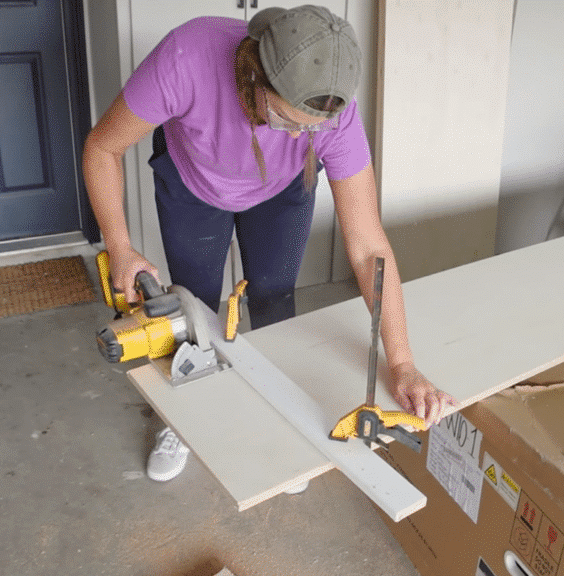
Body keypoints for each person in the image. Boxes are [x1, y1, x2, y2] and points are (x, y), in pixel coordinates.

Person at [83, 5, 456, 483]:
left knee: (274, 295)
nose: (300, 134)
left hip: (282, 187)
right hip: (193, 181)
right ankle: (186, 419)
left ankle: (283, 423)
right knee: (193, 307)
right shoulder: (186, 57)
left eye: (312, 128)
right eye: (286, 120)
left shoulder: (334, 116)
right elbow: (103, 147)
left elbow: (368, 248)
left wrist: (402, 363)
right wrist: (119, 246)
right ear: (255, 78)